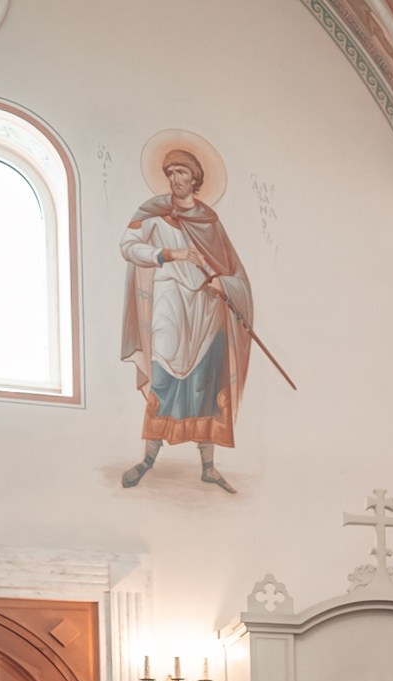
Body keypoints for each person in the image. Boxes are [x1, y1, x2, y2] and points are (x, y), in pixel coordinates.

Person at [119, 147, 253, 493]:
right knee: (163, 377)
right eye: (170, 173)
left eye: (181, 173)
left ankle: (208, 466)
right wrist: (168, 254)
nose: (175, 180)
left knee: (206, 385)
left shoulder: (209, 222)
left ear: (195, 179)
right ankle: (148, 458)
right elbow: (128, 246)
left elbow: (233, 270)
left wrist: (224, 282)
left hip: (206, 310)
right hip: (168, 301)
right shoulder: (155, 213)